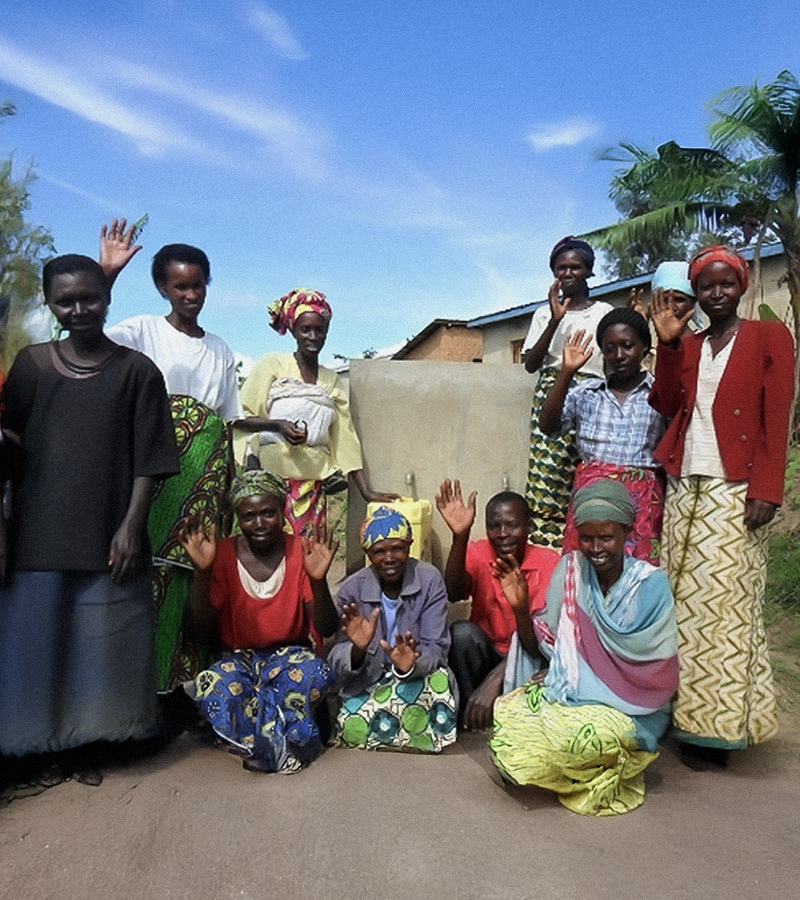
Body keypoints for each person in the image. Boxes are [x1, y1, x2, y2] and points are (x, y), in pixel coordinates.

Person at [0, 254, 179, 787]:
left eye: (90, 297)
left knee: (97, 646)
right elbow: (14, 447)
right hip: (37, 533)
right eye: (65, 300)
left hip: (107, 532)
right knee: (35, 642)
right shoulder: (30, 367)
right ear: (51, 303)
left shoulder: (137, 371)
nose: (79, 309)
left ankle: (85, 747)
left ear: (108, 297)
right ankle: (32, 748)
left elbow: (151, 458)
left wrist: (131, 527)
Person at [649, 244, 795, 770]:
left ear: (742, 286)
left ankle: (720, 732)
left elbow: (776, 416)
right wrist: (666, 347)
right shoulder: (687, 345)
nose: (715, 293)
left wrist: (767, 488)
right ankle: (682, 718)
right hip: (685, 489)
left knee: (726, 610)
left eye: (725, 284)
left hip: (735, 492)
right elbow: (666, 406)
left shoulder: (766, 337)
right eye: (705, 286)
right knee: (682, 610)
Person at [100, 222, 240, 689]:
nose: (191, 294)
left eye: (198, 284)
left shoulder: (220, 349)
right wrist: (107, 274)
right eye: (180, 285)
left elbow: (227, 424)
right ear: (163, 287)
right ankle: (140, 691)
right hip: (153, 473)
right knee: (145, 571)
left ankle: (186, 688)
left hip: (203, 476)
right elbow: (86, 332)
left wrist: (227, 488)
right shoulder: (140, 331)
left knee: (193, 576)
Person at [490, 480, 679, 817]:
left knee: (571, 740)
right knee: (509, 718)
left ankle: (605, 765)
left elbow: (655, 673)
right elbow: (546, 650)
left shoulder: (651, 586)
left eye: (606, 537)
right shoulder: (570, 571)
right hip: (571, 693)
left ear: (626, 532)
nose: (595, 548)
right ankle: (577, 770)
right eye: (586, 538)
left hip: (633, 708)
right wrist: (520, 608)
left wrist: (579, 673)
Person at [178, 470, 339, 773]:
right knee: (216, 687)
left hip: (290, 656)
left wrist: (318, 581)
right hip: (237, 658)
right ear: (237, 518)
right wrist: (203, 572)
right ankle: (283, 742)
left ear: (283, 511)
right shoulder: (222, 553)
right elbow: (196, 631)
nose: (260, 523)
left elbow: (327, 627)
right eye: (249, 516)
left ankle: (262, 746)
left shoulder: (300, 550)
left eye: (268, 513)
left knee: (314, 673)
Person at [234, 288, 397, 537]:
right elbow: (240, 418)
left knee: (308, 558)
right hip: (269, 487)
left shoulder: (330, 380)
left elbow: (345, 437)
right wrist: (277, 425)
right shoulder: (273, 364)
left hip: (312, 490)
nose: (312, 336)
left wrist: (366, 491)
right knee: (270, 554)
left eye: (319, 330)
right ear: (293, 331)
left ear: (326, 332)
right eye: (305, 329)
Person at [538, 307, 667, 564]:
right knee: (587, 570)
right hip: (591, 501)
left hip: (640, 503)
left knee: (636, 574)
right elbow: (548, 426)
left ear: (644, 347)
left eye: (627, 346)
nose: (618, 355)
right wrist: (566, 372)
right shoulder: (586, 392)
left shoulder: (659, 393)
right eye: (610, 348)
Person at [328, 507, 457, 752]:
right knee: (352, 725)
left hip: (416, 679)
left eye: (397, 549)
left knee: (438, 682)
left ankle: (395, 736)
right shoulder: (352, 589)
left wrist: (411, 664)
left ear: (408, 546)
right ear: (368, 553)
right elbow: (336, 656)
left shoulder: (429, 580)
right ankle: (401, 735)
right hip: (369, 682)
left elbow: (437, 647)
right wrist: (357, 650)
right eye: (379, 551)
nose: (389, 558)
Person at [435, 479, 559, 729]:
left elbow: (540, 644)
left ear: (529, 527)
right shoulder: (479, 553)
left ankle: (508, 720)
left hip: (529, 653)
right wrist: (460, 536)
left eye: (512, 525)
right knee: (461, 634)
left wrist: (497, 676)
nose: (502, 533)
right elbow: (452, 591)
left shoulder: (549, 563)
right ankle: (472, 720)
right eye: (494, 526)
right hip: (488, 652)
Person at [521, 237, 613, 547]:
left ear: (589, 271)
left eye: (576, 267)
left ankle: (588, 542)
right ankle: (546, 550)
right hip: (552, 395)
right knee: (548, 477)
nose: (569, 273)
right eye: (562, 268)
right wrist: (555, 321)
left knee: (587, 469)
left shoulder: (604, 312)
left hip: (592, 395)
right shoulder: (543, 314)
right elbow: (531, 364)